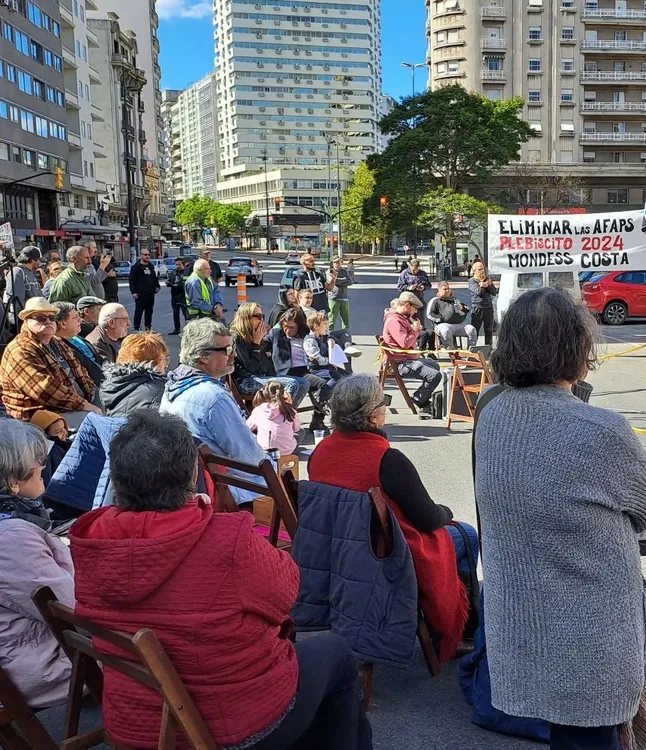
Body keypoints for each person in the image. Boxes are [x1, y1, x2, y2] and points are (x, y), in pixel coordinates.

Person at [69, 410, 373, 750]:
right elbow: (288, 593)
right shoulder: (225, 538)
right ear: (191, 475)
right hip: (229, 725)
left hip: (136, 723)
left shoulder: (91, 540)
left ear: (120, 479)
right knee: (338, 653)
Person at [474, 287, 646, 750]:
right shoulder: (600, 429)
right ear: (578, 349)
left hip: (523, 628)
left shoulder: (492, 412)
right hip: (589, 639)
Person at [311, 374, 477, 661]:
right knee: (467, 535)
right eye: (383, 403)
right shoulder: (387, 459)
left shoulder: (320, 451)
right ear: (374, 415)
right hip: (384, 554)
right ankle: (457, 630)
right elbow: (427, 519)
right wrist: (446, 512)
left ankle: (453, 625)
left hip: (337, 553)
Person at [0, 419, 74, 709]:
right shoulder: (11, 538)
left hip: (30, 655)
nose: (44, 464)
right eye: (38, 460)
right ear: (12, 479)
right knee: (164, 645)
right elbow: (71, 611)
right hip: (43, 669)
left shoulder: (14, 525)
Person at [161, 318, 267, 504]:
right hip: (232, 491)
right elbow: (251, 458)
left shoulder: (173, 386)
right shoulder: (213, 397)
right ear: (202, 356)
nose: (233, 354)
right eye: (226, 350)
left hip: (196, 487)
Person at [0, 298, 100, 426]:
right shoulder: (20, 349)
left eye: (52, 318)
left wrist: (92, 394)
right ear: (26, 321)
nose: (48, 321)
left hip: (73, 405)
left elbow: (81, 372)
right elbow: (44, 390)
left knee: (114, 403)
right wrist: (86, 405)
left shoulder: (56, 342)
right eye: (41, 318)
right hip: (41, 415)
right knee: (97, 423)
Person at [230, 302, 308, 407]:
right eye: (257, 316)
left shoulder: (255, 334)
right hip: (246, 381)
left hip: (261, 377)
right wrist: (257, 344)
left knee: (304, 383)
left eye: (262, 316)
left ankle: (286, 416)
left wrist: (260, 343)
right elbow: (252, 368)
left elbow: (265, 366)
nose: (261, 320)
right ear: (246, 318)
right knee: (292, 383)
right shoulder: (238, 338)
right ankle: (281, 417)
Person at [269, 308, 332, 431]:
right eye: (286, 326)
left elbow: (323, 338)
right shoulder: (277, 334)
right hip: (289, 371)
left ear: (299, 326)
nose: (288, 330)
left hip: (307, 369)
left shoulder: (305, 336)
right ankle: (319, 410)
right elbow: (263, 342)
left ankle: (317, 419)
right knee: (321, 384)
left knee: (331, 380)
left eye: (292, 327)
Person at [381, 291, 441, 414]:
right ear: (407, 305)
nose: (415, 312)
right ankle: (419, 400)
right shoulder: (394, 321)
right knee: (434, 375)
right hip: (400, 363)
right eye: (415, 309)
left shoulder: (401, 318)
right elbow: (404, 343)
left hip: (406, 359)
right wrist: (415, 330)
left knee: (435, 365)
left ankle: (421, 397)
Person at [99, 332, 169, 418]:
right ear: (151, 362)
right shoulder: (162, 388)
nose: (166, 365)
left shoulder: (109, 385)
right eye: (163, 359)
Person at [53, 301, 105, 391]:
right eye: (75, 318)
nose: (80, 320)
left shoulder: (77, 337)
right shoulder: (60, 348)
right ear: (62, 324)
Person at [247, 380, 300, 455]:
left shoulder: (258, 410)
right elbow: (296, 428)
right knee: (301, 432)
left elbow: (248, 428)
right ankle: (290, 452)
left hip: (263, 450)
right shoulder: (290, 409)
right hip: (286, 450)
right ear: (283, 393)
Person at [304, 311, 350, 385]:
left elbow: (329, 339)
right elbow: (317, 358)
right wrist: (329, 362)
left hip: (327, 367)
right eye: (325, 324)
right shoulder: (310, 340)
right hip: (316, 370)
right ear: (316, 326)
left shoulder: (323, 336)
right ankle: (325, 393)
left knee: (349, 376)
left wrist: (331, 340)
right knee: (337, 378)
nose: (327, 327)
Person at [426, 281, 477, 349]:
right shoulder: (435, 300)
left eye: (448, 288)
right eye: (445, 289)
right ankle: (451, 351)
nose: (447, 290)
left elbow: (467, 308)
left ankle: (471, 352)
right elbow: (429, 314)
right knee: (445, 330)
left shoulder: (454, 299)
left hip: (459, 324)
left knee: (471, 329)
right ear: (439, 290)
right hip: (443, 325)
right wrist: (441, 318)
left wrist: (462, 308)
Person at [2, 246, 43, 326]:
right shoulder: (18, 272)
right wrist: (19, 319)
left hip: (34, 317)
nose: (39, 263)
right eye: (38, 260)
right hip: (23, 320)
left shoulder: (30, 272)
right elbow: (16, 299)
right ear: (32, 259)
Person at [128, 248, 160, 331]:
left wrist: (157, 286)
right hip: (140, 294)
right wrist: (133, 292)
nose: (147, 256)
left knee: (149, 312)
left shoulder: (151, 266)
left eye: (148, 255)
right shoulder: (136, 267)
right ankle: (136, 328)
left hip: (150, 293)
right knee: (139, 312)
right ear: (141, 256)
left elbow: (154, 278)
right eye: (145, 255)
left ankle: (148, 328)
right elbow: (131, 281)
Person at [468, 260, 498, 347]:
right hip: (478, 308)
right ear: (474, 271)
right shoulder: (472, 281)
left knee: (488, 330)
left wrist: (488, 285)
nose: (482, 271)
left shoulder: (486, 280)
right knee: (475, 330)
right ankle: (473, 347)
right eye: (480, 269)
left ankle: (488, 347)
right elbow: (478, 291)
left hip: (488, 308)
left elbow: (494, 292)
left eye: (483, 270)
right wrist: (484, 286)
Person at [396, 258, 431, 326]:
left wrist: (423, 287)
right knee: (407, 322)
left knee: (419, 322)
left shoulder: (423, 274)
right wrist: (408, 288)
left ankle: (420, 334)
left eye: (417, 269)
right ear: (410, 266)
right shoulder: (404, 273)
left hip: (419, 300)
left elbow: (428, 285)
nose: (415, 272)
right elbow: (399, 286)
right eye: (413, 270)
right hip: (407, 302)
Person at [329, 257, 354, 333]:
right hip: (334, 298)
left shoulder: (344, 271)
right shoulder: (330, 271)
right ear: (332, 263)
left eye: (339, 262)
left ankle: (345, 335)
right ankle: (329, 335)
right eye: (336, 262)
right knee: (331, 318)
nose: (338, 264)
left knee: (345, 319)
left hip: (344, 298)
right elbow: (333, 282)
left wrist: (338, 281)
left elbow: (350, 281)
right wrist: (343, 280)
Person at [166, 256, 189, 335]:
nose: (178, 266)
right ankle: (177, 329)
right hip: (175, 296)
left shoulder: (186, 272)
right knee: (175, 313)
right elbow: (170, 280)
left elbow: (186, 284)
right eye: (176, 265)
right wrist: (169, 283)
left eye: (179, 264)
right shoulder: (174, 272)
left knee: (186, 314)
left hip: (183, 296)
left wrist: (178, 285)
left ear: (183, 264)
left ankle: (188, 330)